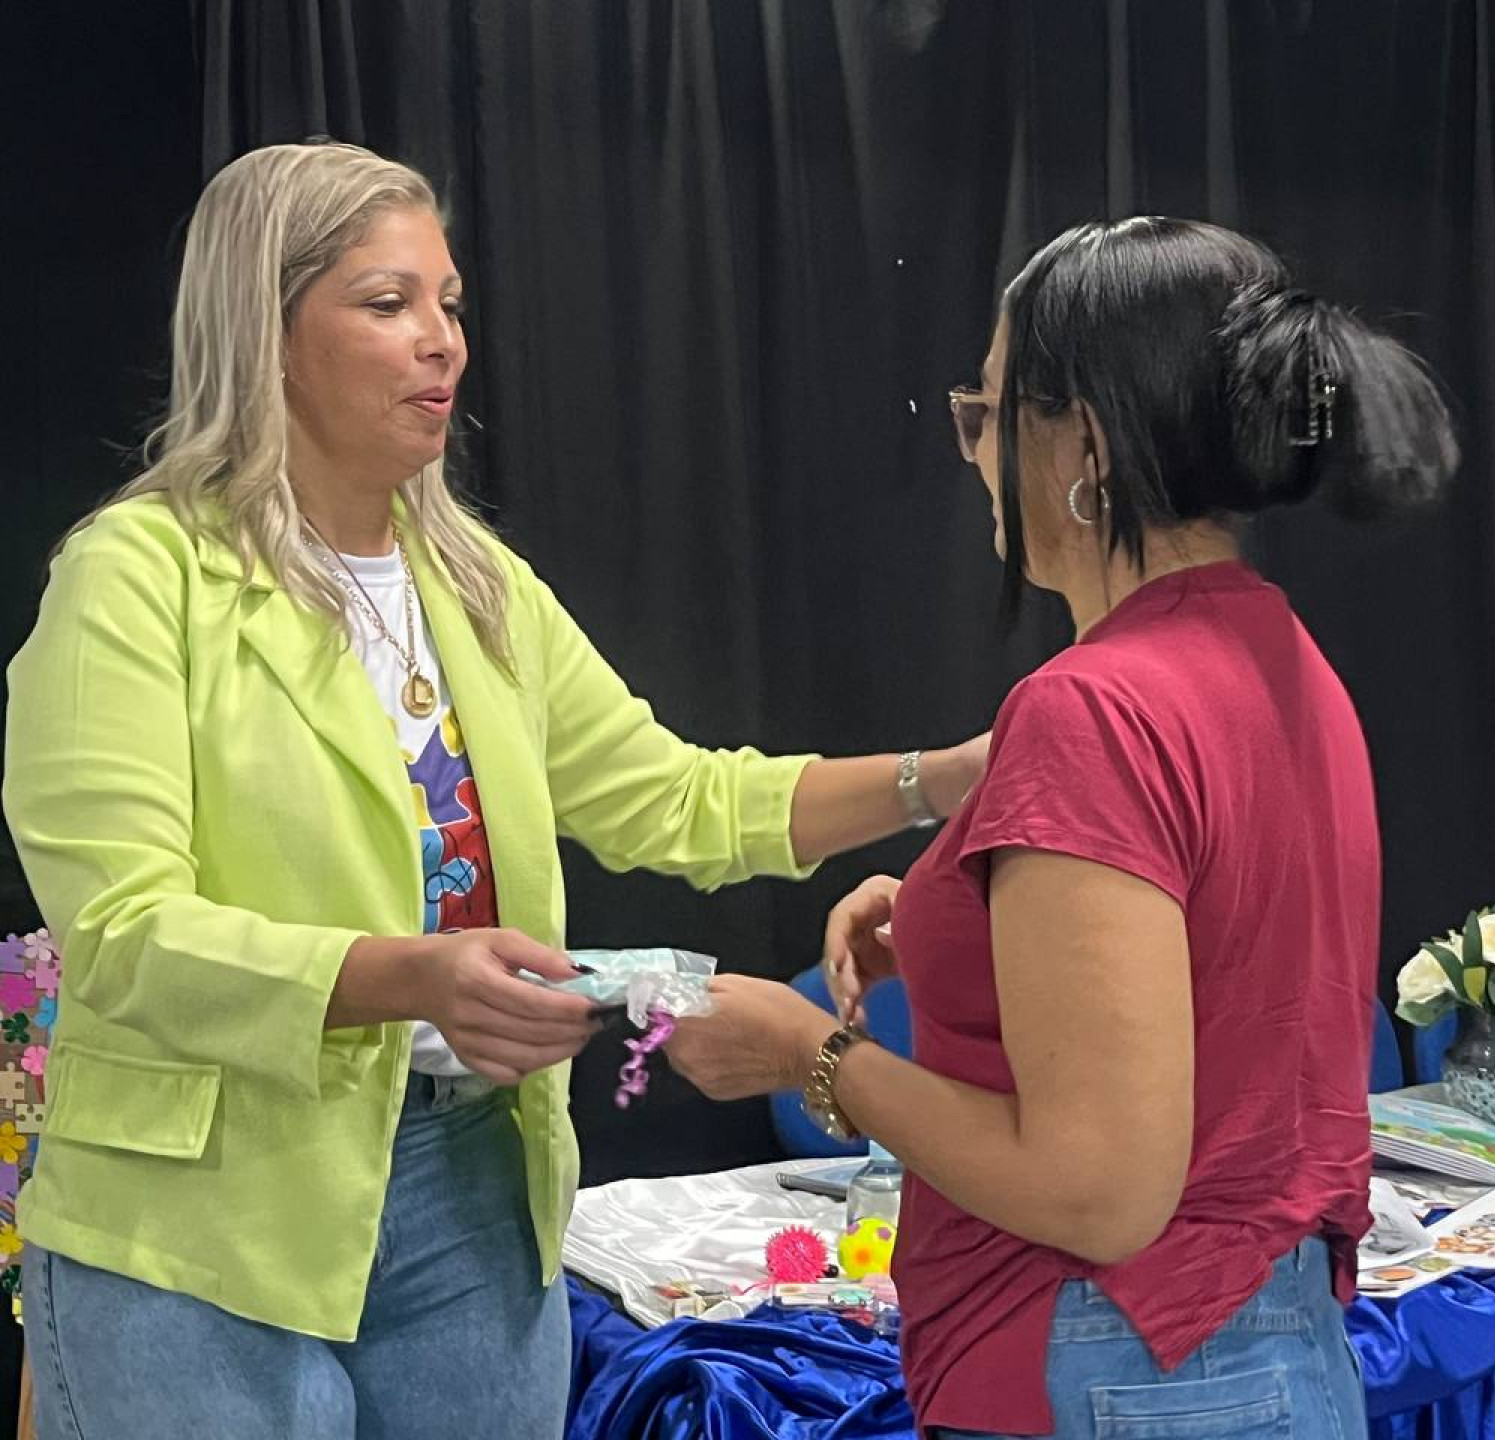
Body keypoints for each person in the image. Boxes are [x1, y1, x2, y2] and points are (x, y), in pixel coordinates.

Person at [2, 140, 985, 1440]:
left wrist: (951, 777)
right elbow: (124, 934)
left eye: (450, 304)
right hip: (206, 1223)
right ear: (268, 329)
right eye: (388, 302)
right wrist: (410, 976)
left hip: (474, 1188)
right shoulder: (137, 579)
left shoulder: (476, 583)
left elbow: (679, 800)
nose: (442, 342)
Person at [665, 216, 1457, 1438]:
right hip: (1263, 1343)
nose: (971, 453)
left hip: (1115, 1357)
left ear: (1078, 440)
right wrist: (947, 924)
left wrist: (808, 1053)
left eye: (984, 415)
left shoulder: (1091, 706)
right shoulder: (1278, 654)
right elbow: (1217, 963)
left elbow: (1096, 1192)